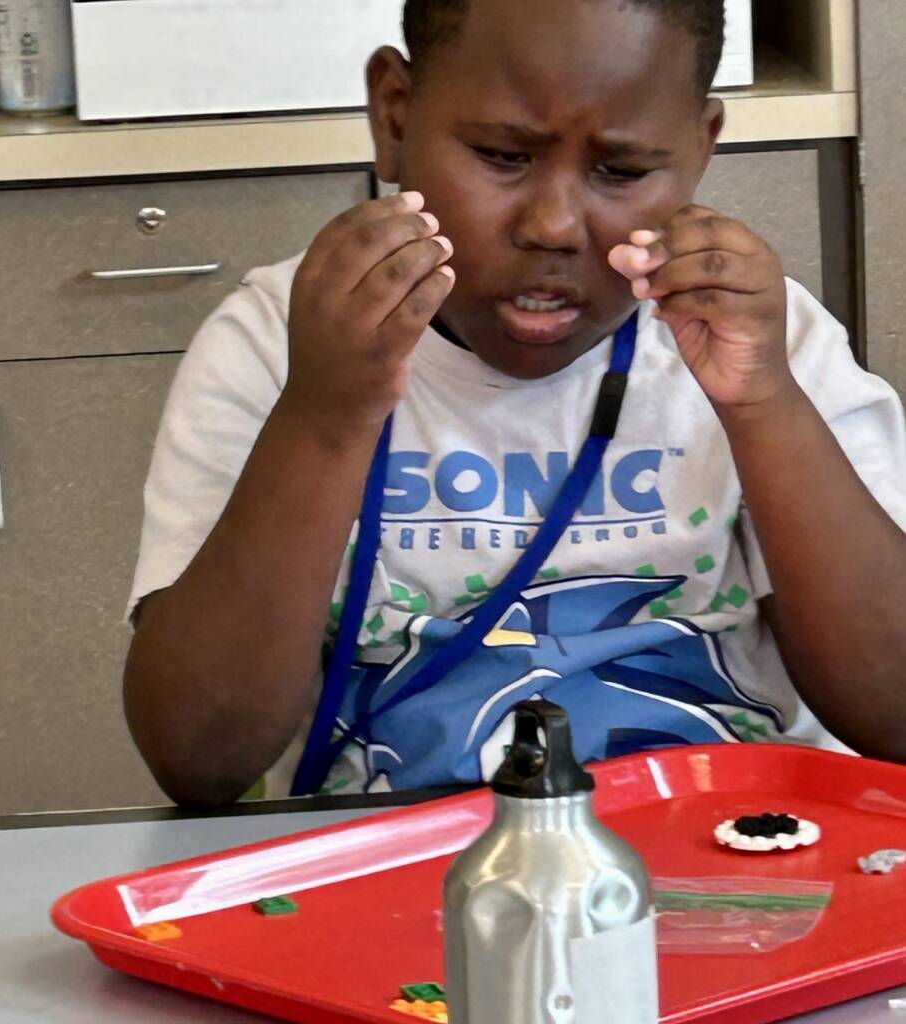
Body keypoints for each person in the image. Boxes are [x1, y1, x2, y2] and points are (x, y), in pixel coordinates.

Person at [123, 0, 906, 806]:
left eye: (621, 171)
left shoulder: (765, 343)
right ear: (394, 115)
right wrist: (324, 418)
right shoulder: (280, 341)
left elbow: (892, 715)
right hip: (395, 862)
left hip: (724, 848)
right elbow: (199, 758)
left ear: (700, 148)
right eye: (502, 156)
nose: (553, 226)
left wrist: (764, 404)